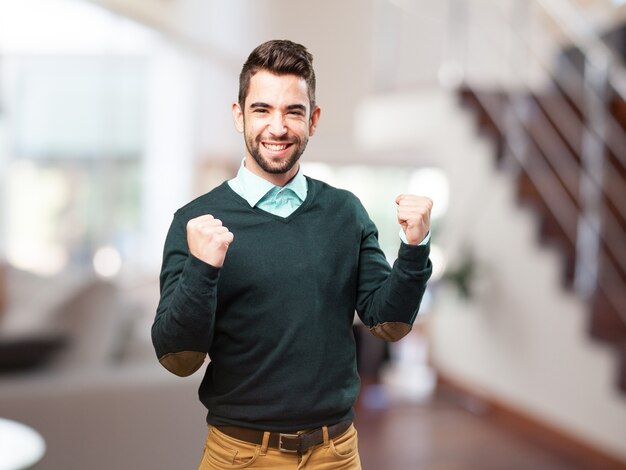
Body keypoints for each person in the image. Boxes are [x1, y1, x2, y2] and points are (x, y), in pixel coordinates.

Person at [152, 39, 433, 470]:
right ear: (238, 115)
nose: (278, 127)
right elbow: (178, 358)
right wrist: (202, 269)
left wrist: (414, 247)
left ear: (313, 120)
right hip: (239, 456)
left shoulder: (346, 212)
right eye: (262, 109)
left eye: (293, 111)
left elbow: (388, 323)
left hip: (336, 454)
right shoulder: (195, 222)